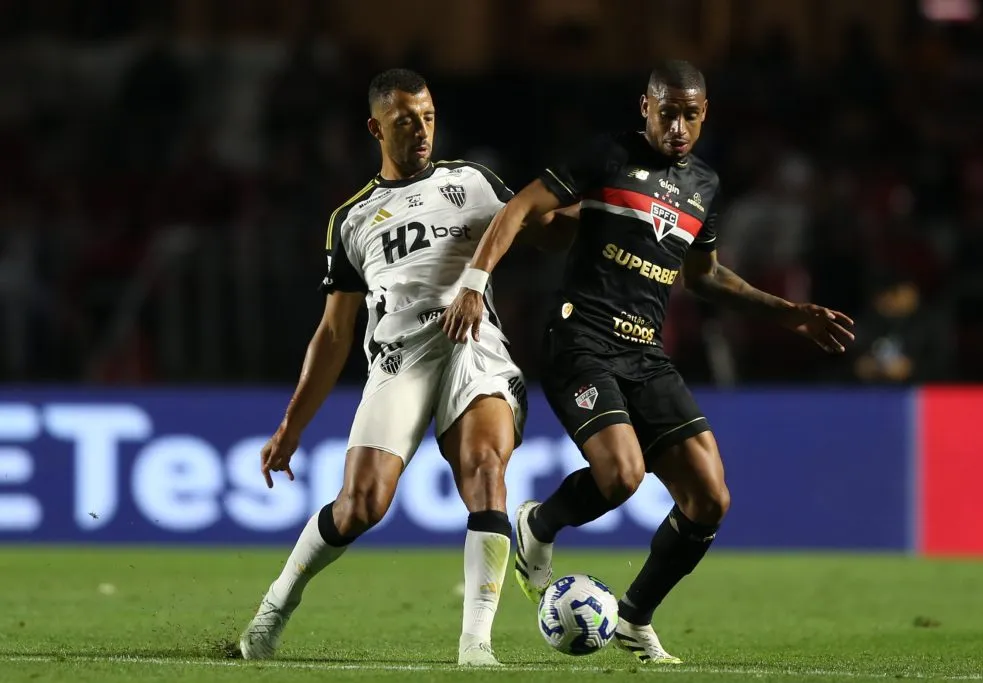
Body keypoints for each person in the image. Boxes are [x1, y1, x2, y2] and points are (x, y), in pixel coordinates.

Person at [441, 60, 856, 664]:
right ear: (646, 107)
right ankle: (538, 525)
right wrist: (476, 280)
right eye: (668, 113)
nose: (679, 126)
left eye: (691, 114)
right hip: (579, 340)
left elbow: (706, 276)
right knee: (622, 476)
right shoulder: (605, 157)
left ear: (704, 113)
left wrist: (787, 312)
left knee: (710, 497)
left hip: (645, 353)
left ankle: (634, 617)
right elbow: (519, 209)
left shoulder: (704, 186)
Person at [238, 68, 569, 667]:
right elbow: (335, 332)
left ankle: (476, 646)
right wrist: (292, 425)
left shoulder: (472, 182)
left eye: (427, 118)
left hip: (475, 348)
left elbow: (541, 229)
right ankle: (271, 613)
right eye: (403, 121)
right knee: (361, 504)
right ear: (375, 127)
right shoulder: (354, 218)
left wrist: (599, 213)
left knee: (486, 468)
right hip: (398, 360)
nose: (420, 131)